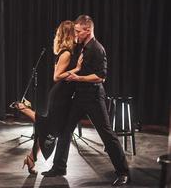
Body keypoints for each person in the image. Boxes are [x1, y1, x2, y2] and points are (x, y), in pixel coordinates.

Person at [41, 15, 130, 186]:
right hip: (80, 97)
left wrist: (78, 78)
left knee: (107, 134)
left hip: (94, 98)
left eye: (78, 31)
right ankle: (59, 167)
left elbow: (101, 77)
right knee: (66, 131)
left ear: (88, 30)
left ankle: (123, 172)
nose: (75, 34)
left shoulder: (97, 49)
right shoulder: (82, 46)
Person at [11, 20, 83, 175]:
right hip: (60, 96)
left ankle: (31, 158)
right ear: (69, 34)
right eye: (75, 32)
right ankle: (24, 109)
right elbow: (57, 76)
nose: (77, 34)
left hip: (61, 95)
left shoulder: (68, 52)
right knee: (52, 129)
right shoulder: (66, 53)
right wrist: (76, 69)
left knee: (47, 129)